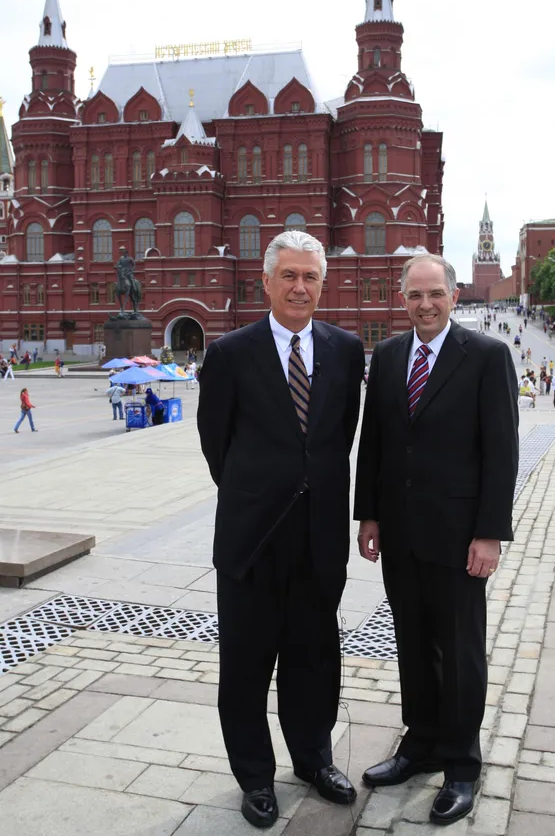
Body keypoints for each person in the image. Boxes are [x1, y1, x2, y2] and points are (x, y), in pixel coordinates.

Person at [197, 230, 364, 829]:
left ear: (324, 283)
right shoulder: (230, 354)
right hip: (251, 540)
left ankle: (314, 759)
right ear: (266, 282)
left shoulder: (346, 350)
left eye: (310, 277)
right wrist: (256, 490)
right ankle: (254, 777)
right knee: (245, 663)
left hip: (319, 537)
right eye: (288, 276)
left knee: (315, 657)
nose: (300, 287)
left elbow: (338, 436)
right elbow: (216, 444)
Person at [355, 253, 518, 826]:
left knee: (460, 653)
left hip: (459, 539)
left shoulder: (488, 357)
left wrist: (490, 534)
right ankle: (419, 745)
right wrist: (368, 515)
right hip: (400, 534)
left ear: (453, 297)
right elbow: (373, 441)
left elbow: (501, 453)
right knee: (413, 644)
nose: (424, 304)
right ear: (403, 299)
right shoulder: (392, 355)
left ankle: (462, 766)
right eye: (414, 295)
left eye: (435, 294)